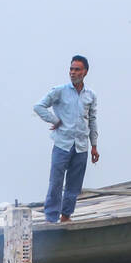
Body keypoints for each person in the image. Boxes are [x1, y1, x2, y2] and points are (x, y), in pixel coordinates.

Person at [34, 55, 99, 224]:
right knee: (56, 182)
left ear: (85, 72)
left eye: (77, 69)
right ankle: (51, 217)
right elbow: (39, 106)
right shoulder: (60, 91)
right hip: (62, 144)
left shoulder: (90, 95)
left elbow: (92, 120)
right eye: (71, 69)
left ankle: (66, 215)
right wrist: (55, 120)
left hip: (81, 146)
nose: (73, 72)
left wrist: (94, 146)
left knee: (74, 184)